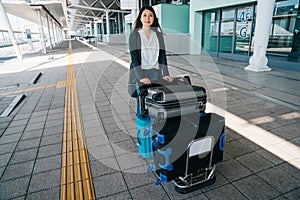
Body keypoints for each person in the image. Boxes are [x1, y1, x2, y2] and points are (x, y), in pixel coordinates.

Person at [128, 5, 173, 97]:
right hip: (141, 72)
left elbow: (162, 56)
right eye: (144, 15)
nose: (147, 18)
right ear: (140, 18)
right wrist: (141, 77)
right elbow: (135, 59)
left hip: (156, 72)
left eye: (150, 15)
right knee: (142, 103)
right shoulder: (135, 35)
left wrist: (166, 74)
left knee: (156, 101)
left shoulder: (158, 35)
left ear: (154, 18)